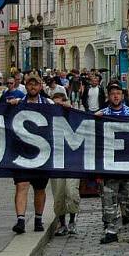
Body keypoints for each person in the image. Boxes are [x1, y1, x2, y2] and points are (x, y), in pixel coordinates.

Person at [95, 82, 129, 244]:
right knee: (109, 199)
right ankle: (110, 230)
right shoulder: (101, 114)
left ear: (122, 96)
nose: (115, 96)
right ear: (108, 96)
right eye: (112, 93)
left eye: (118, 93)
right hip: (110, 165)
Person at [6, 72, 52, 234]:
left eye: (36, 84)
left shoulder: (48, 103)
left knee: (39, 188)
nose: (33, 86)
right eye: (30, 84)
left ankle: (38, 219)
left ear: (40, 86)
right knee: (21, 185)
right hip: (21, 153)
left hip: (41, 154)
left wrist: (65, 106)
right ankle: (20, 220)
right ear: (26, 86)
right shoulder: (18, 103)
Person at [50, 92, 81, 237]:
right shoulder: (48, 118)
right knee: (58, 194)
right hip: (56, 162)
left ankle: (73, 220)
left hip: (72, 161)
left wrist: (68, 108)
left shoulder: (73, 116)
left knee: (71, 191)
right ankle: (62, 223)